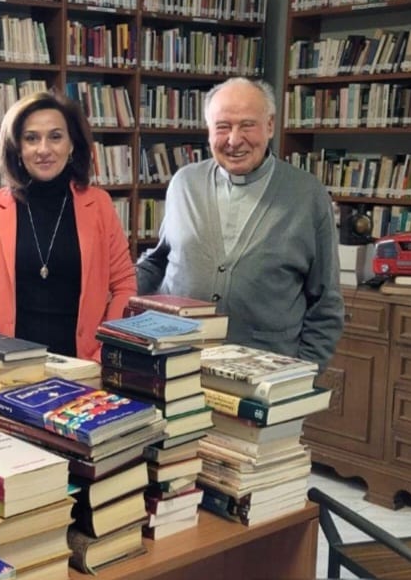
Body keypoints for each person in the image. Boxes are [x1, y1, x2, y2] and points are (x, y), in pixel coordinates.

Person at [136, 78, 344, 369]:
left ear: (270, 126)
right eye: (222, 126)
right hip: (178, 364)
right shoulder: (184, 183)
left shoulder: (308, 195)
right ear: (209, 131)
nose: (234, 140)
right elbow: (160, 260)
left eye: (247, 125)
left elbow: (326, 302)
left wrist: (301, 376)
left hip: (268, 372)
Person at [0, 91, 136, 361]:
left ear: (72, 145)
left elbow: (124, 285)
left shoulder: (99, 205)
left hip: (83, 363)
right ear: (17, 147)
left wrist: (105, 349)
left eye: (56, 137)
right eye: (31, 138)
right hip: (7, 363)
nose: (44, 149)